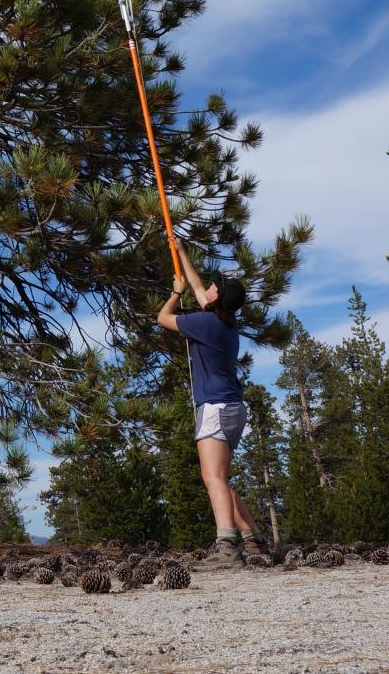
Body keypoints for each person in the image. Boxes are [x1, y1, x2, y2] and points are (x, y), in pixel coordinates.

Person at [156, 244, 268, 570]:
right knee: (221, 479)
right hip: (234, 408)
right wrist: (179, 252)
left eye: (216, 285)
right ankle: (252, 539)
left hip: (216, 408)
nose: (211, 286)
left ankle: (227, 549)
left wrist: (175, 294)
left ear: (218, 299)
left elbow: (162, 318)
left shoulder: (205, 324)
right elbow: (198, 287)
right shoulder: (227, 322)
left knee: (213, 479)